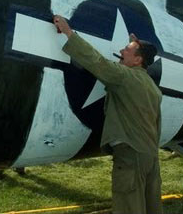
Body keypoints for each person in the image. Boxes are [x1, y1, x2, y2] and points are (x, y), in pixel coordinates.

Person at [53, 15, 163, 214]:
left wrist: (69, 33)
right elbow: (157, 123)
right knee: (151, 207)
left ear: (138, 60)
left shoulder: (124, 77)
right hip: (150, 156)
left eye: (126, 50)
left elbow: (97, 62)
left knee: (128, 207)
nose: (121, 51)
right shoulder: (153, 88)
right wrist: (134, 44)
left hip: (130, 157)